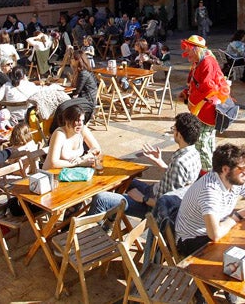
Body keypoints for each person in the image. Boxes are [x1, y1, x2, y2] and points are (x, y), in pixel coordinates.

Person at [88, 113, 202, 218]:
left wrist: (142, 198)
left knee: (101, 199)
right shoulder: (194, 154)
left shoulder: (180, 163)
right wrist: (159, 161)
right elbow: (178, 179)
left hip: (151, 206)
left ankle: (89, 235)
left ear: (180, 135)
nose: (173, 132)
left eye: (174, 129)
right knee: (122, 180)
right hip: (154, 191)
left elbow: (169, 204)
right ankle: (110, 223)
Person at [174, 144, 245, 257]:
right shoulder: (209, 191)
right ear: (225, 169)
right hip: (193, 239)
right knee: (235, 255)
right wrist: (237, 216)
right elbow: (215, 235)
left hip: (215, 228)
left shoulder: (234, 179)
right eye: (242, 168)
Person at [178, 35, 230, 170]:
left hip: (206, 109)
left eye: (188, 49)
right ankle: (212, 168)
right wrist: (186, 92)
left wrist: (191, 99)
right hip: (202, 108)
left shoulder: (207, 62)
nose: (186, 53)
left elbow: (208, 87)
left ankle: (207, 173)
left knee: (201, 141)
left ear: (195, 49)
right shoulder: (199, 61)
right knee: (207, 140)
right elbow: (196, 83)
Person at [42, 105, 101, 169]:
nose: (81, 124)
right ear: (67, 121)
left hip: (69, 172)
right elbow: (53, 163)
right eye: (77, 120)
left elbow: (97, 150)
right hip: (51, 173)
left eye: (82, 120)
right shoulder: (59, 134)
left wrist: (82, 158)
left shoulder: (83, 129)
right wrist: (79, 163)